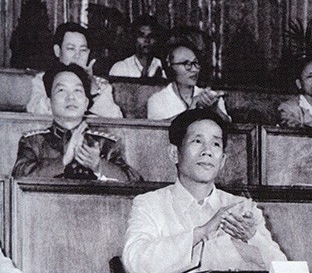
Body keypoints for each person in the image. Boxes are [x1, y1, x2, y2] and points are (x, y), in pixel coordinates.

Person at [122, 109, 286, 273]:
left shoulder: (242, 208)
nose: (207, 151)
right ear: (174, 153)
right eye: (197, 141)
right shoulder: (150, 204)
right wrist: (202, 232)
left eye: (215, 144)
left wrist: (253, 238)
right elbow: (135, 264)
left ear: (222, 160)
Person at [13, 63, 141, 181]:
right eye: (61, 90)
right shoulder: (33, 142)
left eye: (78, 91)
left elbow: (134, 182)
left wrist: (98, 165)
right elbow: (18, 179)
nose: (71, 97)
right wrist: (62, 161)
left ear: (86, 103)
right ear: (48, 103)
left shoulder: (106, 144)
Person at [26, 22, 123, 118]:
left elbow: (116, 118)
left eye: (83, 50)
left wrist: (93, 88)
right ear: (58, 51)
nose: (77, 56)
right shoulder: (41, 80)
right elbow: (34, 110)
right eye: (71, 49)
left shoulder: (101, 84)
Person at [147, 42, 229, 121]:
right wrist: (193, 108)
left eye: (195, 63)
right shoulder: (157, 100)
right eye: (186, 64)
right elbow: (158, 130)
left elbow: (228, 127)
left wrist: (215, 109)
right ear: (171, 67)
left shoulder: (210, 97)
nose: (194, 69)